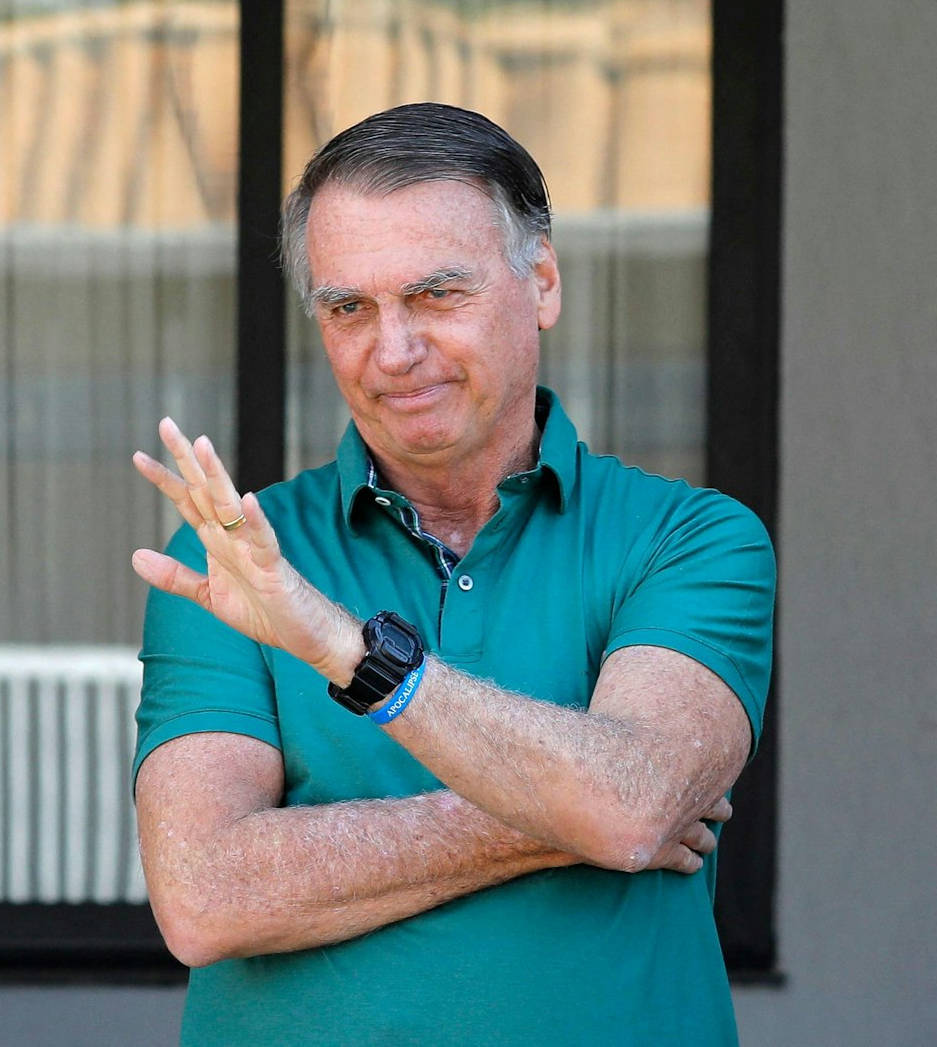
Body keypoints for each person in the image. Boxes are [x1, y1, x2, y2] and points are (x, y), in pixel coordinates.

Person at [129, 102, 774, 1045]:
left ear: (542, 281)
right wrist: (563, 812)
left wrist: (342, 646)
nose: (393, 351)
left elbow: (632, 805)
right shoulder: (232, 554)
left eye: (436, 295)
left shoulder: (688, 538)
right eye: (348, 308)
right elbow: (203, 896)